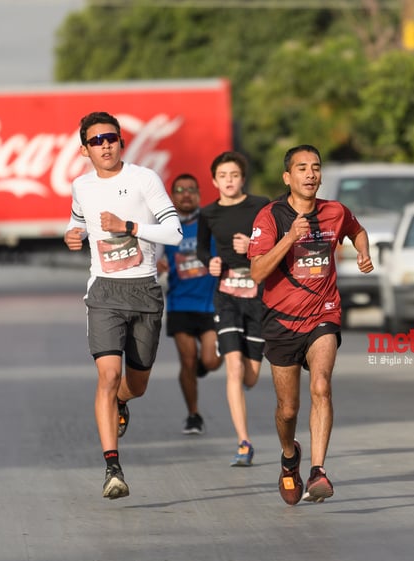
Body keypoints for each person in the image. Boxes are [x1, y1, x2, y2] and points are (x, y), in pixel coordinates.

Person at [64, 111, 183, 500]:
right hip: (104, 293)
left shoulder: (143, 179)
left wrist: (129, 227)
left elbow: (175, 232)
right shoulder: (81, 186)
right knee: (107, 375)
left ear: (121, 142)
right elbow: (76, 219)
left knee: (136, 385)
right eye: (96, 141)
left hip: (145, 290)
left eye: (111, 138)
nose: (105, 145)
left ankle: (121, 402)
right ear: (85, 150)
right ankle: (112, 467)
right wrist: (73, 233)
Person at [247, 144, 373, 505]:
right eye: (301, 168)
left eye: (315, 167)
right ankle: (290, 457)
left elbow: (357, 230)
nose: (310, 174)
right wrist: (289, 237)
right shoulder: (270, 217)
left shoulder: (335, 211)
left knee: (321, 386)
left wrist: (364, 252)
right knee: (288, 410)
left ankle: (319, 470)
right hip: (281, 321)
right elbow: (257, 271)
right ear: (288, 177)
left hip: (324, 313)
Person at [197, 151, 270, 466]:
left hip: (258, 297)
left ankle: (242, 364)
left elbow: (277, 242)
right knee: (234, 368)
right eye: (222, 175)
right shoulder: (208, 213)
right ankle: (244, 442)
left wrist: (252, 248)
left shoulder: (261, 206)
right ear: (214, 181)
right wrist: (209, 262)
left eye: (234, 175)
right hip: (226, 296)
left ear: (243, 179)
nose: (228, 180)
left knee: (250, 376)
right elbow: (202, 249)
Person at [158, 174, 223, 435]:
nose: (186, 194)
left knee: (210, 361)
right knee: (186, 361)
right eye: (180, 190)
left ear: (198, 194)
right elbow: (154, 260)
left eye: (191, 190)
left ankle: (201, 365)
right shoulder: (165, 228)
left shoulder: (211, 223)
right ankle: (193, 414)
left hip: (210, 303)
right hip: (180, 304)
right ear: (172, 196)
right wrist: (159, 266)